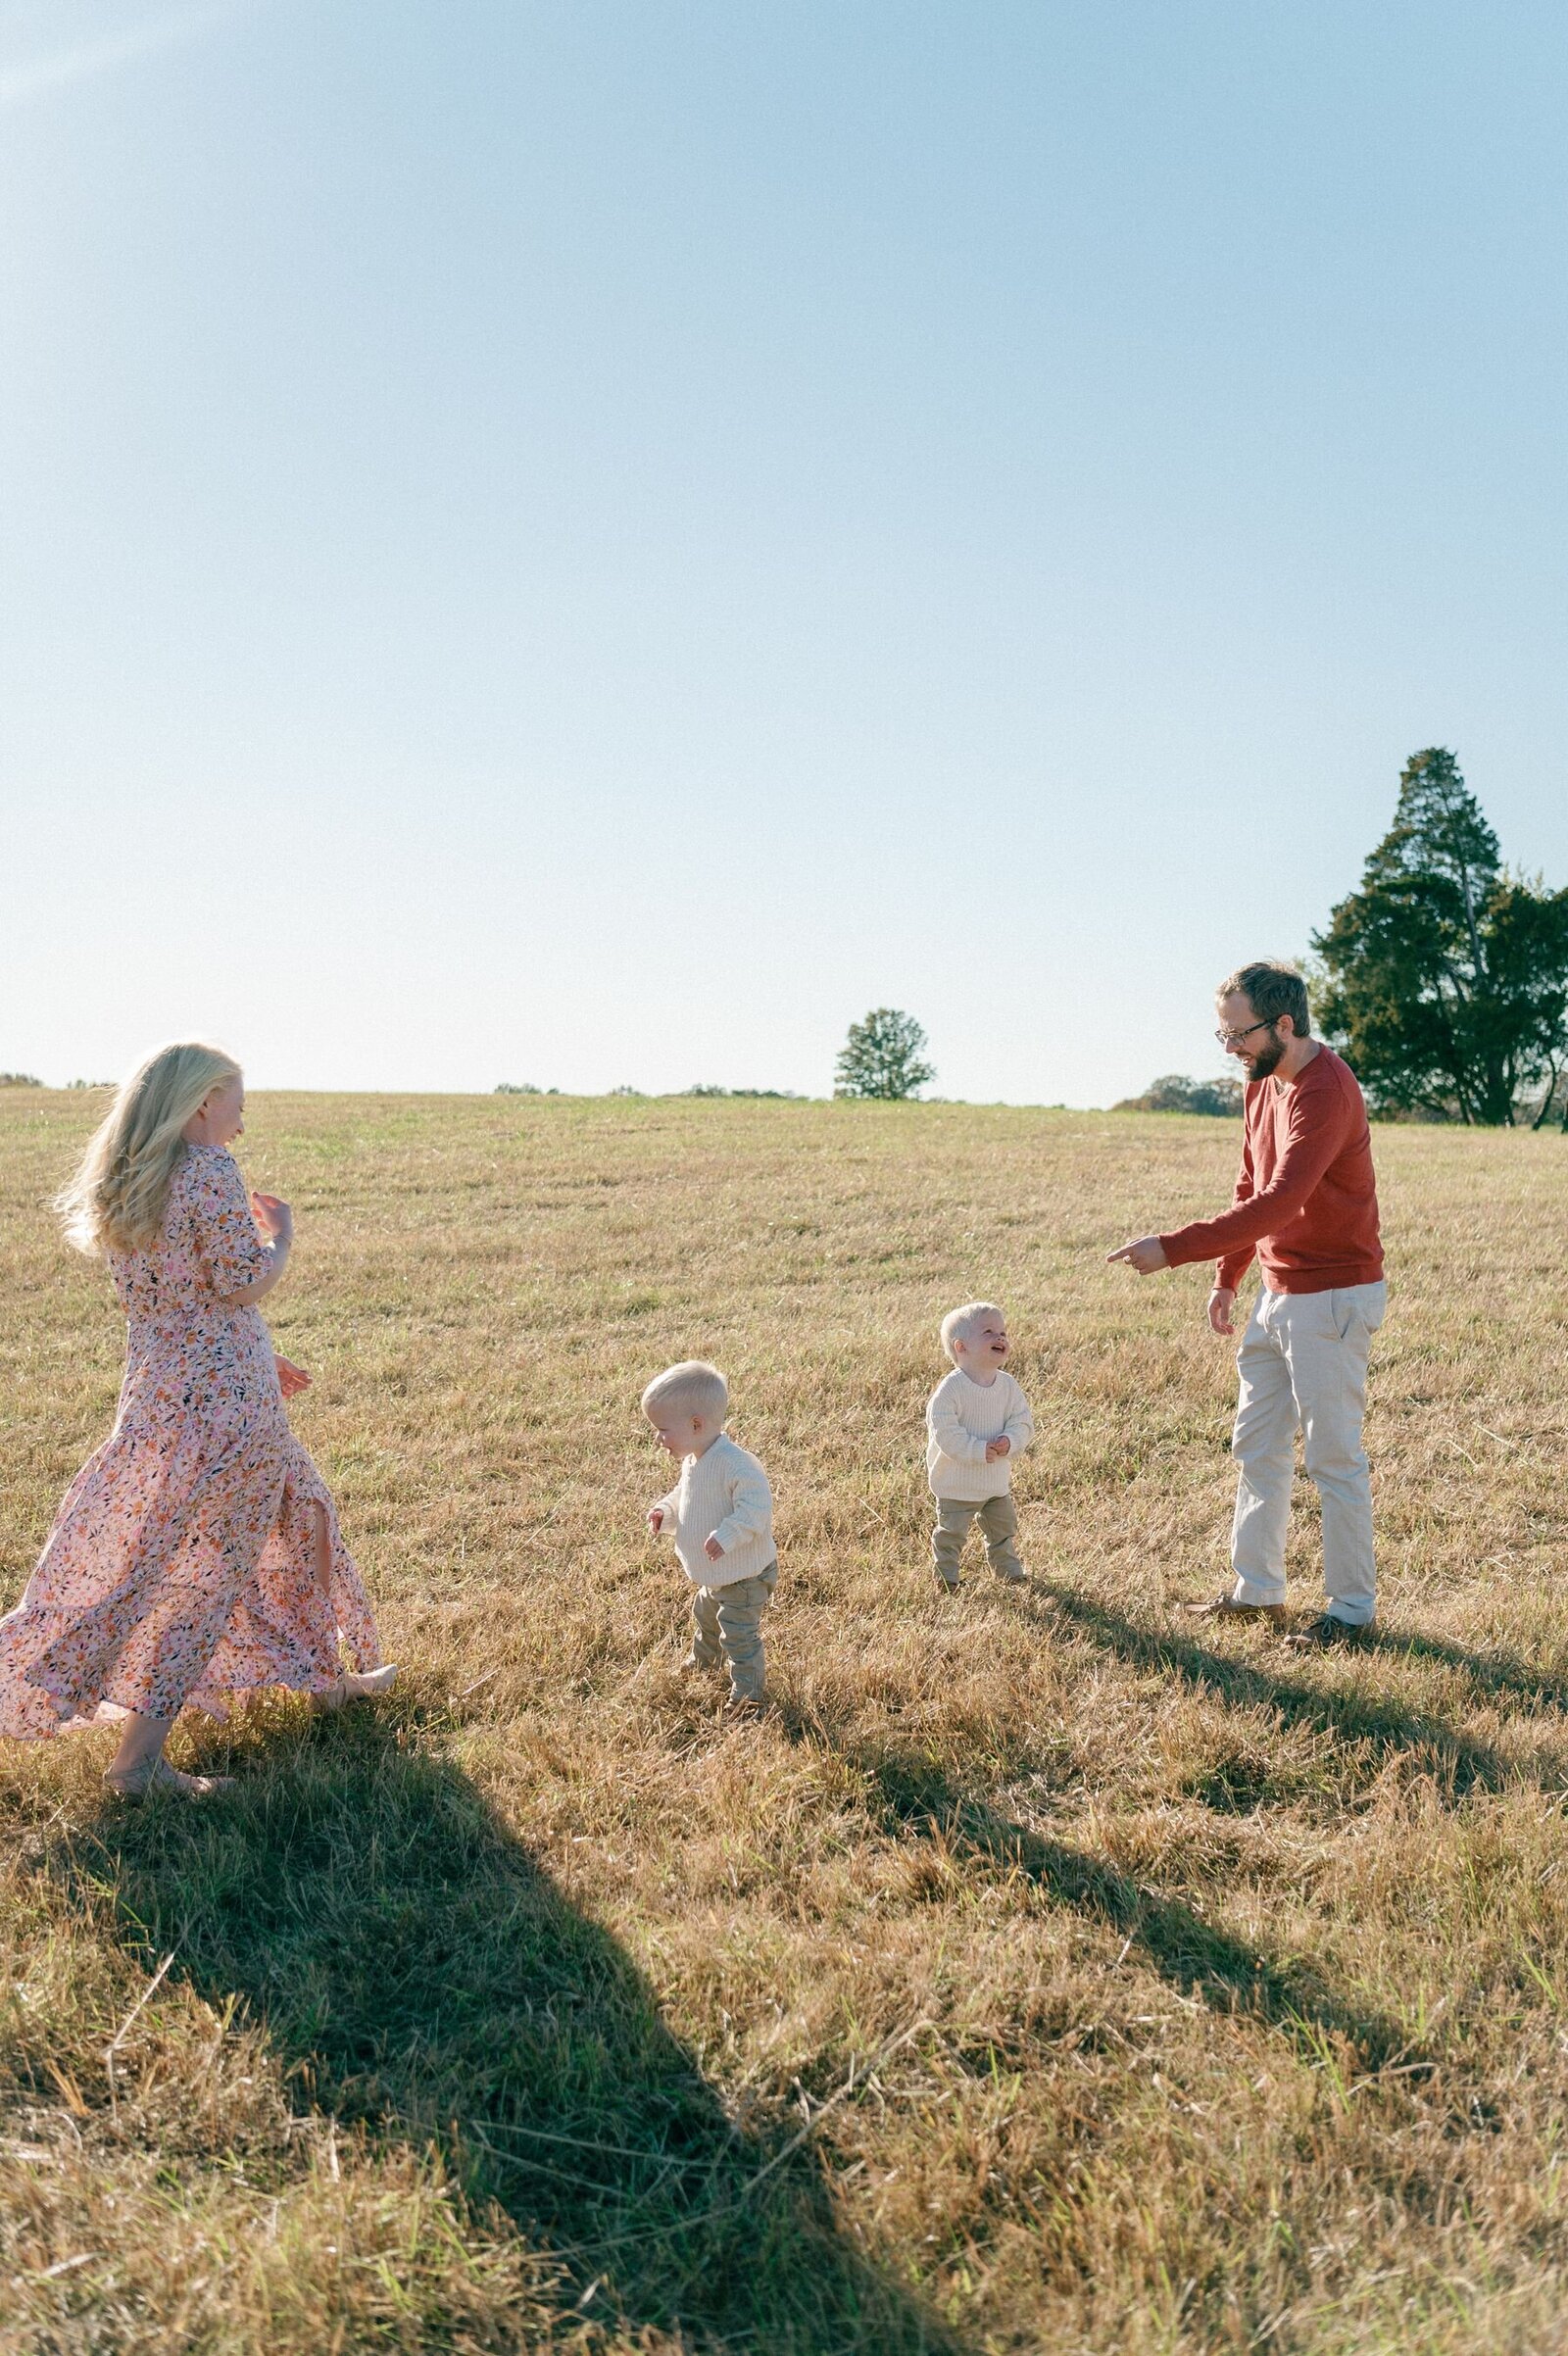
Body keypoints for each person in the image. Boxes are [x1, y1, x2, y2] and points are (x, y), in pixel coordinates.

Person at [0, 1043, 390, 1800]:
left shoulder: (132, 1181)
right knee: (203, 1576)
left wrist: (251, 1358)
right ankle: (138, 1764)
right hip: (227, 1410)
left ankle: (321, 1679)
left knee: (298, 1518)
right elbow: (243, 1283)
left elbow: (176, 1302)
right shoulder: (209, 1171)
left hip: (172, 1392)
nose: (242, 1125)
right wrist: (282, 1237)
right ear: (204, 1101)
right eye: (238, 1105)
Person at [1108, 960, 1386, 1645]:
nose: (1230, 1048)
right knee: (1257, 1445)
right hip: (1277, 1291)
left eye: (1239, 1034)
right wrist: (1228, 1278)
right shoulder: (1261, 1085)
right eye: (1222, 1034)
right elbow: (1249, 1189)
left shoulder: (1325, 1090)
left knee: (1333, 1457)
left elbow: (1283, 1200)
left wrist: (1172, 1249)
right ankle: (1256, 1590)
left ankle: (1351, 1612)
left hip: (1333, 1295)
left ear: (1283, 1025)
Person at [643, 1360, 776, 1714]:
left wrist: (728, 1534)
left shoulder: (737, 1464)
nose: (658, 1438)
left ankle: (749, 1695)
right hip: (719, 1574)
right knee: (704, 1615)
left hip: (744, 1575)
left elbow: (756, 1510)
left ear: (696, 1424)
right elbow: (685, 1498)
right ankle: (704, 1662)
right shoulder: (695, 1460)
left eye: (662, 1429)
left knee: (738, 1634)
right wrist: (665, 1513)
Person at [925, 1301, 1035, 1589]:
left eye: (1003, 1332)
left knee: (1003, 1529)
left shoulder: (1008, 1386)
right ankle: (946, 1578)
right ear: (961, 1347)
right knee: (952, 1533)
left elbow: (1022, 1421)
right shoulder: (951, 1390)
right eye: (988, 1331)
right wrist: (976, 1449)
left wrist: (1009, 1441)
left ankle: (1009, 1572)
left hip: (995, 1484)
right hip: (957, 1484)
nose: (1000, 1337)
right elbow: (944, 1430)